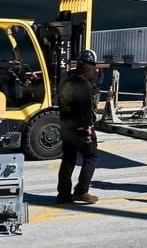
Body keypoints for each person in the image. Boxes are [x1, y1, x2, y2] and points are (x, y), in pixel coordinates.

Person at [57, 50, 100, 204]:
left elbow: (61, 105)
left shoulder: (67, 81)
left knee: (68, 159)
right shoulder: (83, 83)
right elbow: (86, 108)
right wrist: (87, 127)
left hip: (66, 127)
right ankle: (82, 191)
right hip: (80, 129)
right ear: (90, 66)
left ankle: (63, 194)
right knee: (91, 157)